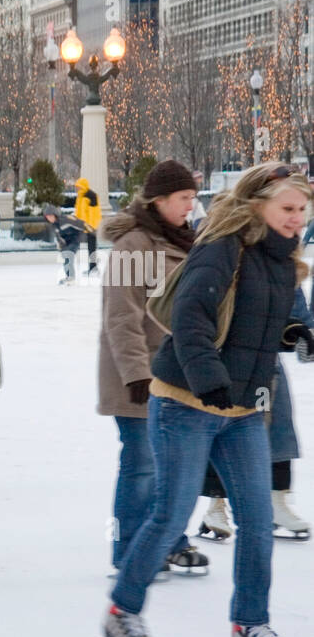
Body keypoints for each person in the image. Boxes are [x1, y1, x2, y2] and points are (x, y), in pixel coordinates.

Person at [99, 162, 313, 637]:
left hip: (242, 409)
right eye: (288, 209)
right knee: (170, 513)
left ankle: (249, 624)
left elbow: (289, 312)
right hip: (184, 402)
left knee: (258, 522)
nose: (297, 219)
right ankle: (121, 610)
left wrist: (300, 332)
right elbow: (189, 316)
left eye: (303, 211)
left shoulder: (283, 259)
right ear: (257, 204)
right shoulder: (219, 249)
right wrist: (205, 376)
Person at [98, 159, 210, 581]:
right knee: (142, 464)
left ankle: (169, 541)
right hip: (139, 375)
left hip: (177, 374)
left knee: (175, 465)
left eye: (192, 198)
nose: (190, 206)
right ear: (160, 200)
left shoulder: (185, 240)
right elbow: (120, 316)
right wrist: (135, 374)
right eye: (184, 199)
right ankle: (128, 550)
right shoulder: (135, 245)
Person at [197, 288, 314, 543]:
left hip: (264, 360)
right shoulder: (229, 253)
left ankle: (277, 499)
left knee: (278, 422)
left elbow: (294, 305)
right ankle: (216, 506)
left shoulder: (281, 259)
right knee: (229, 427)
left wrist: (303, 332)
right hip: (227, 358)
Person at [41, 204, 86, 285]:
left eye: (51, 216)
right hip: (66, 243)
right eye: (47, 217)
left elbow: (80, 224)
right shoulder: (54, 225)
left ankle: (71, 278)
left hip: (75, 241)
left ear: (55, 215)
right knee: (66, 259)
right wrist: (61, 246)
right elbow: (58, 236)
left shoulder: (65, 220)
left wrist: (87, 231)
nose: (49, 218)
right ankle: (69, 277)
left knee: (69, 256)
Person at [74, 177, 101, 275]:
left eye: (78, 187)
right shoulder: (80, 196)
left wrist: (90, 226)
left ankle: (93, 267)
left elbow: (93, 213)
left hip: (90, 226)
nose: (77, 189)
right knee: (86, 246)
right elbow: (79, 212)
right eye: (76, 187)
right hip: (83, 225)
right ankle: (92, 267)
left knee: (92, 247)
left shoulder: (91, 195)